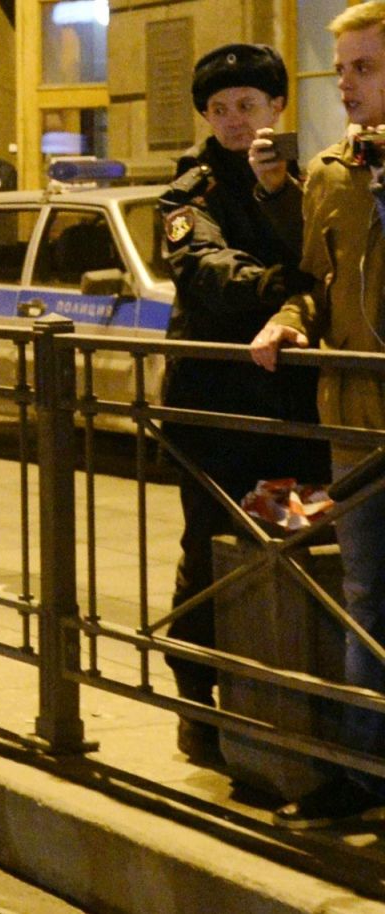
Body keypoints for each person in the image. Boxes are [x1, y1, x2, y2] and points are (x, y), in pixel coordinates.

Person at [157, 43, 328, 764]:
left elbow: (329, 258)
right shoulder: (187, 193)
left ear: (277, 109)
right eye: (220, 109)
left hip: (289, 409)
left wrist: (281, 198)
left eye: (248, 106)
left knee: (286, 537)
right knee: (208, 548)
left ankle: (284, 706)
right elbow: (204, 269)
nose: (234, 120)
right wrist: (279, 288)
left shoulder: (310, 180)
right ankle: (198, 702)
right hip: (213, 412)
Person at [251, 1, 385, 829]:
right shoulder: (333, 174)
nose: (346, 85)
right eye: (342, 71)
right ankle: (362, 769)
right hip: (359, 421)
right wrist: (289, 319)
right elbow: (314, 280)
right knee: (366, 596)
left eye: (364, 68)